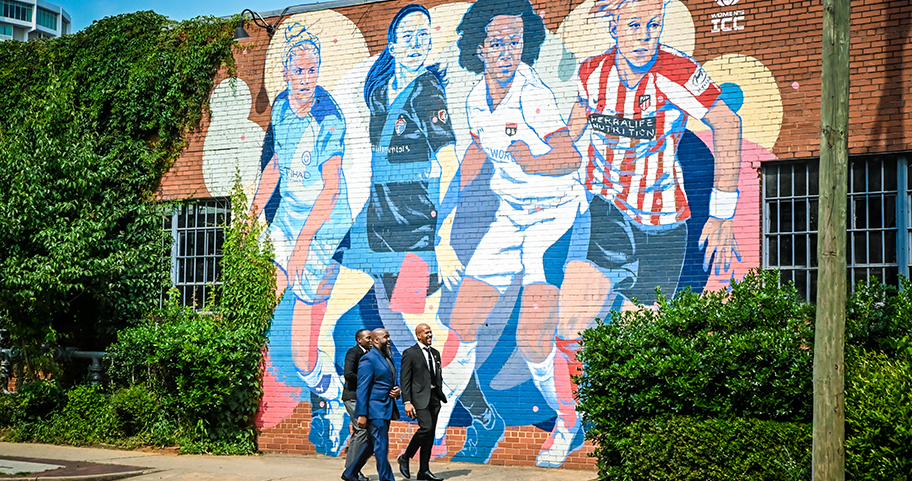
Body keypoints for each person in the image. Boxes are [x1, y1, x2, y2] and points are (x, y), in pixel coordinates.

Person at [529, 0, 744, 467]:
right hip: (606, 213)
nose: (645, 34)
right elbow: (576, 127)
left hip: (664, 226)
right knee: (568, 328)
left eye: (654, 25)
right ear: (614, 26)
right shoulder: (591, 73)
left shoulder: (677, 71)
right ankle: (570, 421)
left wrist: (723, 213)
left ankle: (631, 439)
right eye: (635, 25)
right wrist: (548, 160)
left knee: (637, 343)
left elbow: (728, 122)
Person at [436, 0, 585, 463]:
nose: (507, 51)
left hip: (554, 213)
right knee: (460, 322)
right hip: (510, 215)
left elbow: (570, 157)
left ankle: (567, 419)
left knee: (532, 338)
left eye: (515, 42)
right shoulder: (474, 98)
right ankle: (435, 428)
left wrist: (533, 161)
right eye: (497, 43)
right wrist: (448, 211)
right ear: (479, 48)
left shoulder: (533, 94)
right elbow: (479, 150)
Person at [250, 23, 351, 456]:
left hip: (324, 230)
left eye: (313, 69)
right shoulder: (281, 109)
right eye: (299, 69)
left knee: (303, 355)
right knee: (258, 300)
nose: (306, 77)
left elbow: (330, 188)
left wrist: (305, 243)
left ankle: (337, 397)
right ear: (286, 73)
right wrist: (250, 213)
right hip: (289, 222)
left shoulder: (330, 117)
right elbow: (274, 164)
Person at [341, 329, 402, 481]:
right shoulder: (368, 359)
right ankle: (387, 479)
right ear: (375, 340)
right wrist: (361, 414)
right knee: (381, 447)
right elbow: (362, 388)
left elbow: (389, 381)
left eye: (389, 336)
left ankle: (350, 473)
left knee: (369, 444)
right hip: (375, 409)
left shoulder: (387, 357)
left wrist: (397, 391)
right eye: (385, 337)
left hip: (386, 407)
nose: (389, 339)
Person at [398, 324, 447, 481]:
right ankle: (405, 457)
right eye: (426, 333)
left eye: (430, 332)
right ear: (418, 335)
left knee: (430, 434)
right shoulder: (410, 353)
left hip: (434, 398)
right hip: (419, 399)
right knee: (426, 428)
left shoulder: (435, 353)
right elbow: (405, 380)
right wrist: (407, 402)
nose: (430, 335)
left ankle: (423, 471)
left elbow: (436, 375)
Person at [342, 330, 373, 481]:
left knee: (359, 432)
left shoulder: (371, 353)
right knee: (362, 430)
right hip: (353, 397)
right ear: (359, 340)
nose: (371, 339)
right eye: (368, 337)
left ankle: (350, 471)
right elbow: (348, 374)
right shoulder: (353, 353)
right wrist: (367, 380)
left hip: (363, 398)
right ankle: (353, 471)